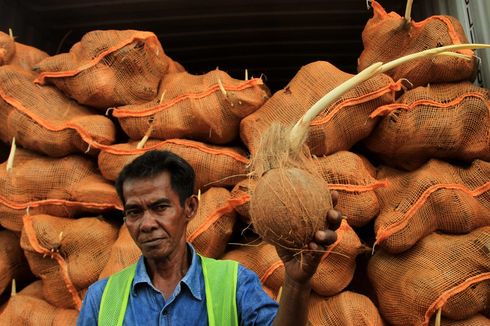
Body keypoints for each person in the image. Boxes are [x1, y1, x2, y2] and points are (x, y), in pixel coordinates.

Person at [77, 150, 342, 326]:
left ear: (190, 208)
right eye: (134, 212)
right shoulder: (102, 299)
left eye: (160, 207)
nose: (146, 224)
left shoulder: (234, 283)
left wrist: (296, 282)